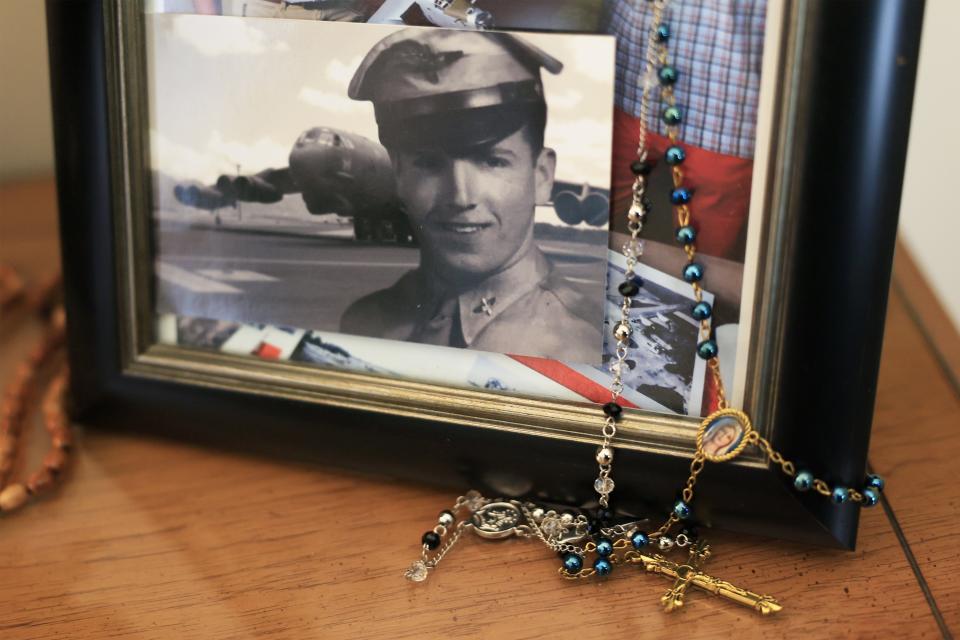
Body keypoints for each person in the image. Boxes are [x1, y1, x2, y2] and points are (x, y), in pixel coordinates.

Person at [340, 29, 602, 362]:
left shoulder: (585, 347)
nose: (460, 196)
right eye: (429, 163)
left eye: (492, 161)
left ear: (541, 176)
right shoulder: (364, 323)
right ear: (400, 175)